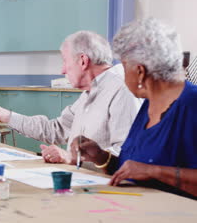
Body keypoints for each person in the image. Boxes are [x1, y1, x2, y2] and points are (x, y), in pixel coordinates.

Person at [71, 18, 197, 199]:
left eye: (123, 66)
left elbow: (147, 170)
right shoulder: (148, 104)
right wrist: (100, 156)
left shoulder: (192, 105)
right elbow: (134, 169)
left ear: (140, 71)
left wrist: (155, 171)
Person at [0, 31, 140, 165]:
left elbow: (126, 155)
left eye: (65, 61)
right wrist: (6, 116)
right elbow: (55, 129)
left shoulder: (121, 90)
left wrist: (71, 159)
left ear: (83, 61)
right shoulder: (90, 93)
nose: (62, 70)